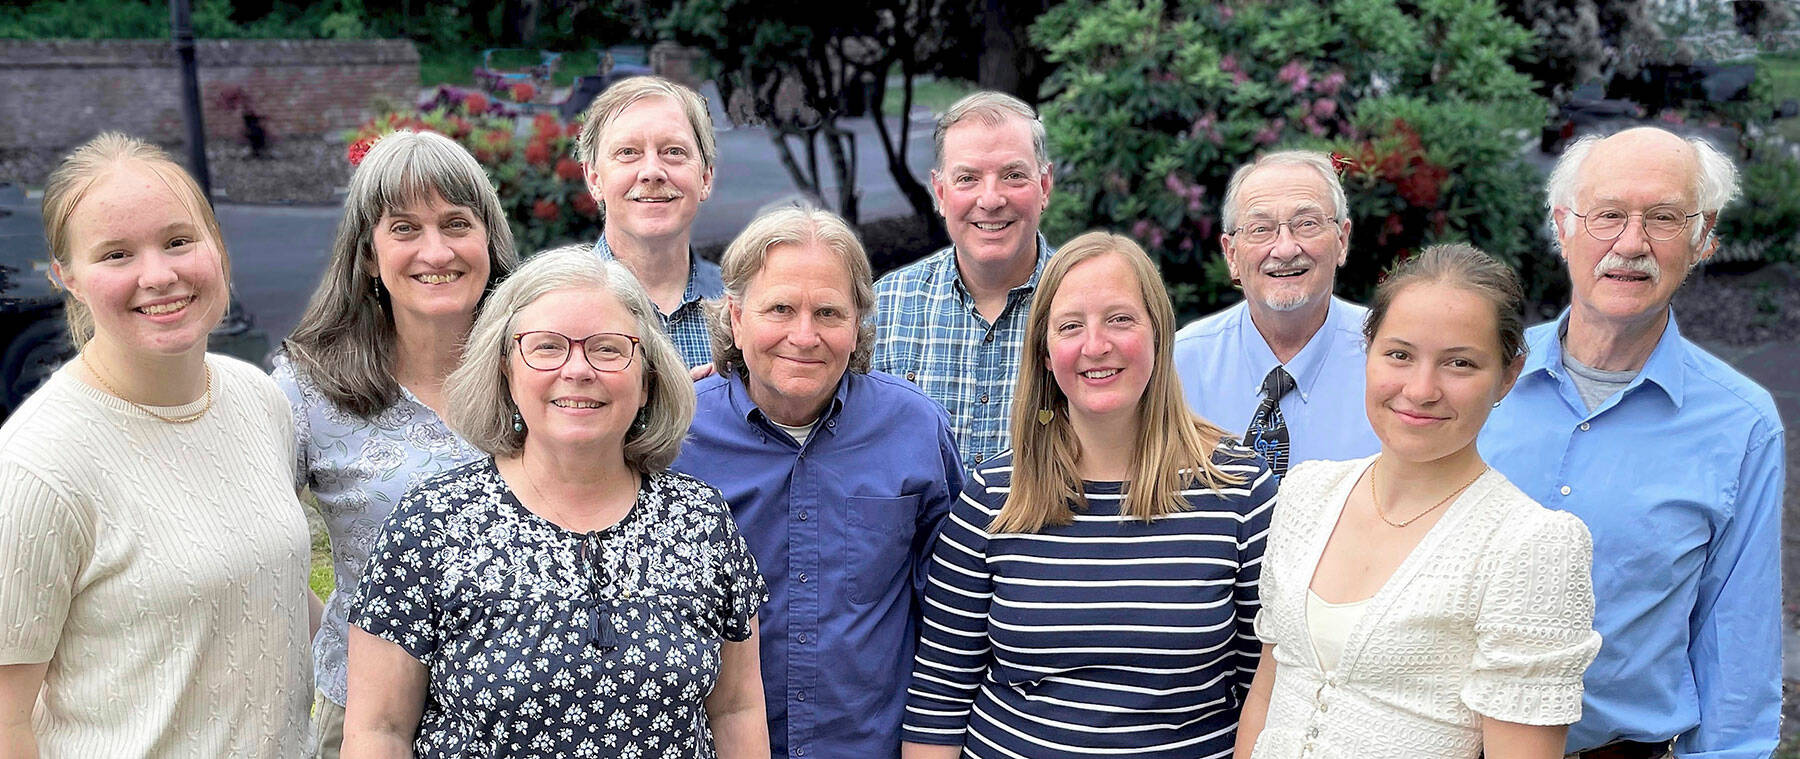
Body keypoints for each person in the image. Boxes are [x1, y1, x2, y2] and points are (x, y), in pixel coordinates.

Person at [342, 246, 769, 759]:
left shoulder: (701, 522)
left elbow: (736, 710)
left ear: (648, 376)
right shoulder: (432, 525)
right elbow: (378, 731)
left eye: (609, 349)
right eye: (546, 347)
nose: (578, 369)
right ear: (506, 370)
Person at [901, 231, 1275, 759]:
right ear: (1046, 354)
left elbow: (1267, 689)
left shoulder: (1240, 494)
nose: (1095, 346)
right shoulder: (991, 500)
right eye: (1070, 326)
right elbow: (939, 698)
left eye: (1120, 319)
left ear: (1158, 334)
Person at [0, 133, 311, 756]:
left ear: (216, 247)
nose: (159, 275)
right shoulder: (36, 468)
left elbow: (272, 586)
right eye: (116, 255)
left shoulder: (259, 400)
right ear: (68, 278)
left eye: (178, 241)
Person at [1481, 127, 1784, 759]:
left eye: (1665, 219)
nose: (1631, 243)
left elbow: (1736, 643)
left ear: (1705, 240)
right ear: (1562, 226)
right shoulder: (1470, 378)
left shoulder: (1741, 426)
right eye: (1608, 215)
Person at [1235, 243, 1601, 759]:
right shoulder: (1307, 493)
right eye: (1400, 355)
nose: (1421, 389)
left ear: (1509, 375)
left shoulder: (1531, 544)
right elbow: (1269, 687)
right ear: (1368, 351)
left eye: (1459, 363)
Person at [673, 206, 962, 759]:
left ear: (857, 326)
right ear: (735, 318)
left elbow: (952, 617)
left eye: (828, 312)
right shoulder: (677, 440)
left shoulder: (915, 430)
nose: (804, 336)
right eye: (779, 308)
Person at [272, 129, 520, 759]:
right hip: (363, 723)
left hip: (525, 716)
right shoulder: (308, 389)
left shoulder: (543, 367)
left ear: (490, 238)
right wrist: (339, 629)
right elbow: (247, 547)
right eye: (404, 228)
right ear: (366, 254)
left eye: (456, 223)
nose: (435, 251)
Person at [872, 91, 1056, 469]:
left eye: (1013, 176)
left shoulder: (1085, 307)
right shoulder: (883, 309)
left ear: (1045, 186)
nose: (990, 199)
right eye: (968, 178)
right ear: (940, 193)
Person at [1173, 150, 1378, 480]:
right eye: (1260, 229)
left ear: (1342, 240)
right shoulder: (1176, 368)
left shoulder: (1392, 359)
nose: (1284, 249)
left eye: (1307, 224)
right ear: (1231, 254)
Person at [578, 75, 721, 368]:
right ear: (594, 179)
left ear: (705, 178)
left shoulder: (744, 308)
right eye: (628, 153)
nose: (652, 171)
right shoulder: (550, 306)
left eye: (673, 152)